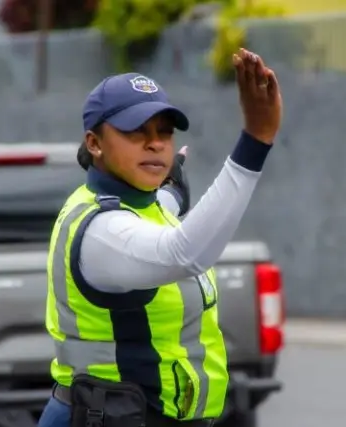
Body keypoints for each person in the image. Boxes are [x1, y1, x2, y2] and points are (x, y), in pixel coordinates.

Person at [41, 48, 282, 427]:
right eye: (136, 131)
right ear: (94, 143)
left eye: (164, 132)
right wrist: (254, 142)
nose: (155, 144)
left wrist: (173, 190)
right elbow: (183, 253)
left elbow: (166, 206)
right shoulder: (101, 230)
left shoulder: (142, 207)